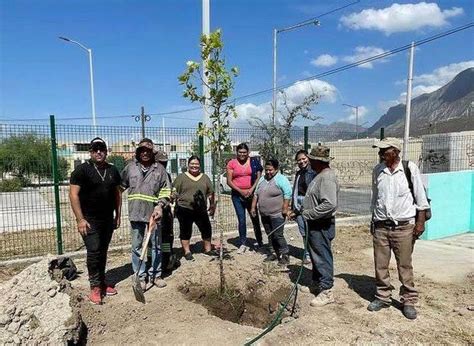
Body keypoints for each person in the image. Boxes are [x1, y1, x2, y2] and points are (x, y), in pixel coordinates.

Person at [368, 138, 429, 320]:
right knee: (380, 265)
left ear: (395, 151)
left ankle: (408, 300)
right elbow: (375, 198)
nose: (380, 154)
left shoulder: (409, 169)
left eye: (384, 151)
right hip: (381, 226)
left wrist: (420, 222)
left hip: (404, 227)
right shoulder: (378, 170)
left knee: (404, 265)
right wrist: (373, 220)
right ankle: (382, 296)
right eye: (380, 151)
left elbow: (420, 198)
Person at [69, 137, 122, 305]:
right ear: (90, 152)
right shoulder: (82, 171)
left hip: (107, 219)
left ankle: (102, 282)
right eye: (95, 149)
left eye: (102, 148)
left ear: (106, 151)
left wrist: (118, 216)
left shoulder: (113, 170)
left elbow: (117, 194)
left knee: (103, 251)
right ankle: (95, 288)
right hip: (89, 220)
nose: (99, 152)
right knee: (94, 251)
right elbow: (73, 194)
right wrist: (80, 219)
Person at [121, 138, 170, 290]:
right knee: (136, 247)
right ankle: (140, 277)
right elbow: (120, 187)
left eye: (148, 151)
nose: (145, 153)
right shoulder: (130, 168)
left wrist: (160, 206)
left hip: (153, 215)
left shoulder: (160, 170)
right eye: (142, 150)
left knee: (156, 246)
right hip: (135, 214)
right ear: (138, 152)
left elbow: (166, 190)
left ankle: (156, 274)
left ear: (152, 153)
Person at [300, 145, 339, 307]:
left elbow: (329, 204)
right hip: (315, 223)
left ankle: (327, 290)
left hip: (321, 223)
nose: (309, 162)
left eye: (312, 160)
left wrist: (308, 214)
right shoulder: (320, 175)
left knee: (322, 256)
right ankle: (317, 283)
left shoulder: (327, 177)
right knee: (316, 254)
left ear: (318, 161)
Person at [173, 155, 216, 261]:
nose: (194, 166)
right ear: (188, 165)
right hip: (184, 209)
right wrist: (171, 204)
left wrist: (212, 205)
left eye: (196, 164)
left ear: (199, 165)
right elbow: (174, 192)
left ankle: (208, 249)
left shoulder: (205, 177)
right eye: (192, 164)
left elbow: (210, 193)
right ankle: (187, 251)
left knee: (206, 229)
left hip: (201, 209)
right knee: (186, 230)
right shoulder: (181, 177)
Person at [251, 159, 292, 267]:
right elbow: (256, 194)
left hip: (277, 214)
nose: (268, 172)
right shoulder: (262, 180)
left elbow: (287, 194)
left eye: (271, 170)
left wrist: (285, 208)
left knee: (278, 235)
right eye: (266, 170)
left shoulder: (281, 179)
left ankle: (285, 254)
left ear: (277, 169)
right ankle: (273, 253)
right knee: (269, 234)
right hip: (264, 214)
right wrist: (253, 207)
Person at [227, 143, 264, 254]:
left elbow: (258, 177)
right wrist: (240, 191)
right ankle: (242, 243)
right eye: (240, 152)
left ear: (248, 152)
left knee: (255, 218)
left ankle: (260, 241)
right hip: (237, 195)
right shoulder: (232, 163)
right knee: (241, 219)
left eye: (244, 152)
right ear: (236, 152)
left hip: (251, 195)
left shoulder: (254, 162)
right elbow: (229, 181)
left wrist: (251, 190)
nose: (242, 154)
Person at [155, 150, 179, 274]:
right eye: (160, 162)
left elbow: (172, 189)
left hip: (167, 212)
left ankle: (166, 259)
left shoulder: (167, 175)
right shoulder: (151, 175)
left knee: (167, 237)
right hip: (156, 211)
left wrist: (173, 194)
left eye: (165, 163)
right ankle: (153, 262)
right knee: (154, 239)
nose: (163, 165)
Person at [291, 149, 317, 265]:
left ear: (308, 158)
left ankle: (314, 254)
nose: (301, 161)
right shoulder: (299, 173)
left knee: (312, 230)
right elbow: (295, 191)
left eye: (303, 158)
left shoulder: (313, 172)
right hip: (299, 203)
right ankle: (307, 254)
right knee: (303, 232)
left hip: (309, 204)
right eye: (299, 160)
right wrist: (293, 207)